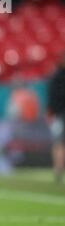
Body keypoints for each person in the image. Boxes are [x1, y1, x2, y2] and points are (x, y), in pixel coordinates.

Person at [47, 54, 65, 183]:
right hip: (60, 114)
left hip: (58, 114)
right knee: (59, 143)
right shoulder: (57, 77)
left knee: (59, 143)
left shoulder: (56, 77)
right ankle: (58, 169)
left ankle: (58, 169)